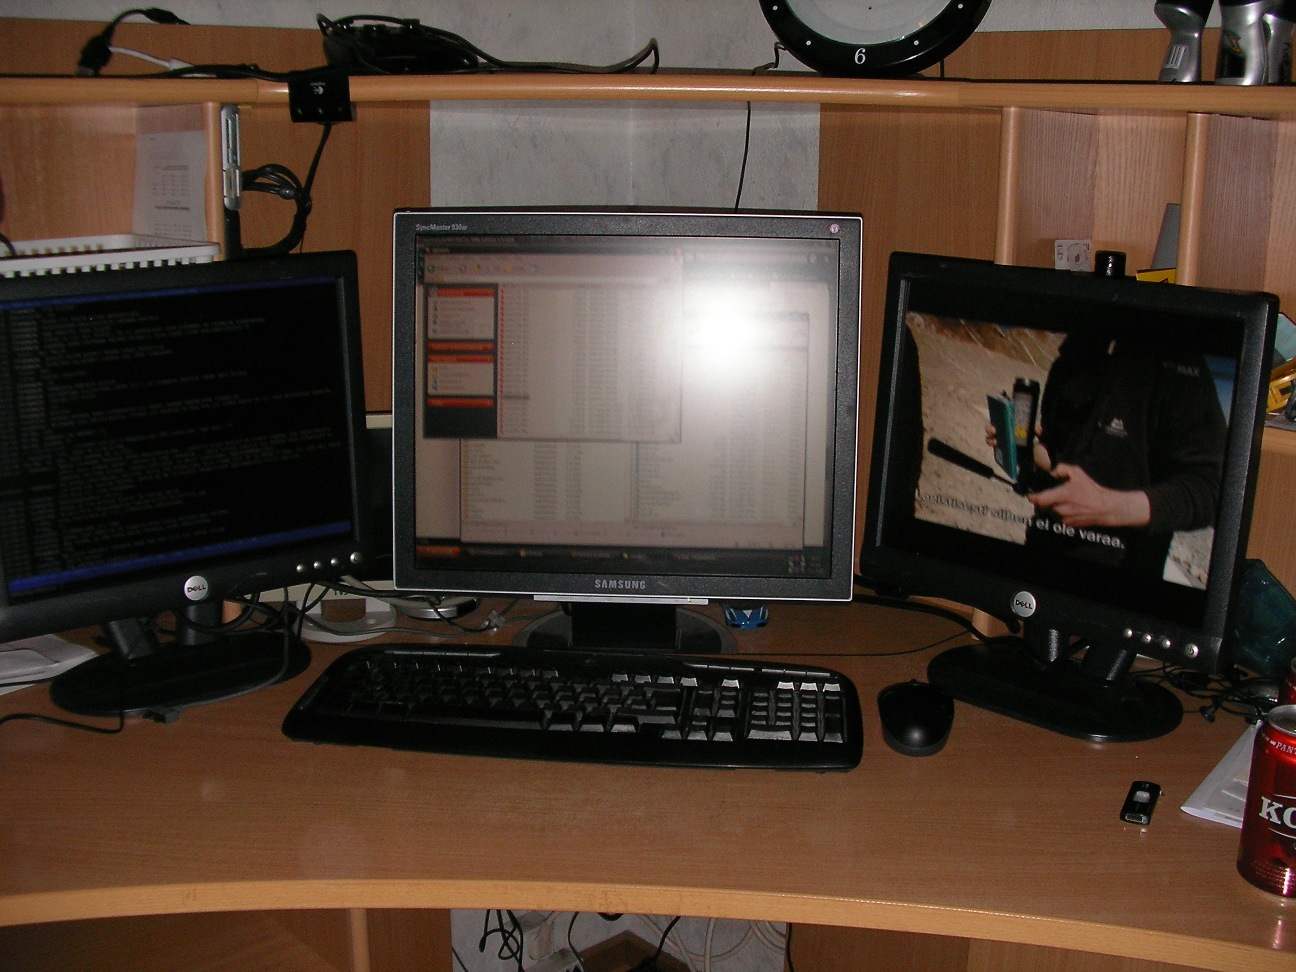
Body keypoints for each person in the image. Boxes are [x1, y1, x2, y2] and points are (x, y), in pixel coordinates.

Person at [1022, 332, 1227, 578]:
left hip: (1120, 581)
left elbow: (1211, 489)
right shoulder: (1075, 353)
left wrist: (1106, 506)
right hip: (1040, 555)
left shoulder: (1180, 363)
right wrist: (1024, 451)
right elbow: (1062, 456)